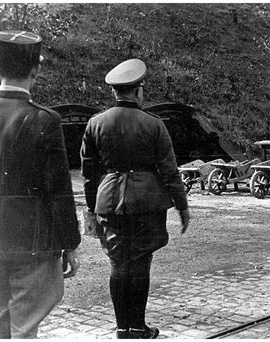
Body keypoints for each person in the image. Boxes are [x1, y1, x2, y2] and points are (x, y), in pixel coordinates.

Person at [80, 59, 190, 339]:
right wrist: (182, 205)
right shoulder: (153, 124)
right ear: (138, 91)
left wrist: (92, 208)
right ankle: (138, 327)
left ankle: (121, 328)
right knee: (140, 263)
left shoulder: (95, 123)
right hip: (147, 202)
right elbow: (169, 170)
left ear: (114, 92)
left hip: (109, 201)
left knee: (118, 264)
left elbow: (89, 174)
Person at [0, 30, 81, 338]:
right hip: (32, 241)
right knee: (24, 329)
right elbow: (59, 190)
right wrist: (69, 244)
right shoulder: (45, 120)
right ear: (37, 69)